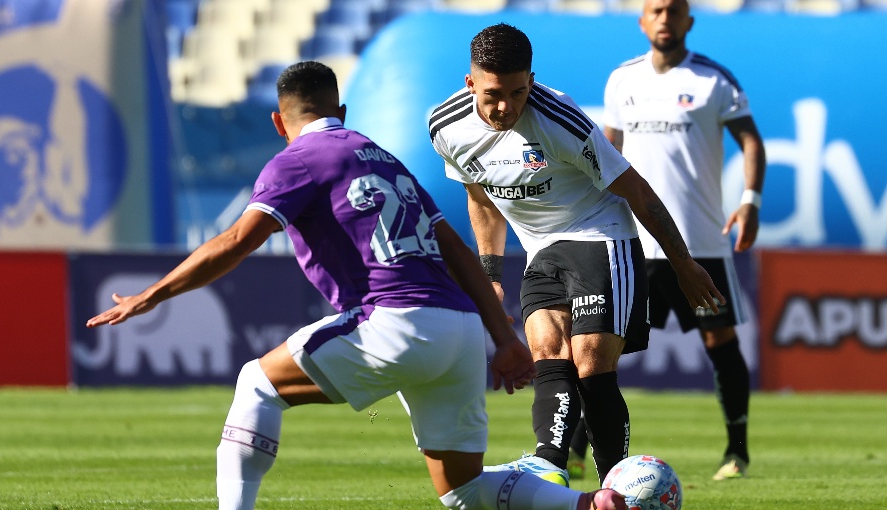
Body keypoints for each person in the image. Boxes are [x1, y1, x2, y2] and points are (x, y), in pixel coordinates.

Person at [86, 61, 627, 510]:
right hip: (460, 329)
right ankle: (591, 504)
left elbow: (233, 241)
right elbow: (456, 250)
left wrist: (149, 296)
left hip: (395, 318)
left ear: (279, 121)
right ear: (341, 113)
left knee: (256, 383)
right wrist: (502, 338)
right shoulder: (385, 159)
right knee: (463, 490)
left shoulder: (296, 158)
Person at [428, 23, 725, 487]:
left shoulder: (562, 121)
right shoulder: (445, 127)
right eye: (492, 95)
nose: (505, 106)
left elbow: (638, 192)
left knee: (590, 363)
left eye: (517, 91)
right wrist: (490, 272)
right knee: (547, 351)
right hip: (538, 248)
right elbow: (481, 198)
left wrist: (683, 264)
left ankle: (616, 486)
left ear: (531, 79)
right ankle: (550, 466)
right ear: (470, 84)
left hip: (599, 234)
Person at [591, 0, 766, 482]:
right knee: (599, 343)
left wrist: (749, 199)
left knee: (719, 339)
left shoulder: (713, 80)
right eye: (656, 9)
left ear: (689, 20)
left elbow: (751, 140)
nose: (665, 18)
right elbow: (607, 154)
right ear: (643, 20)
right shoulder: (622, 80)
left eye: (674, 10)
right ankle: (585, 449)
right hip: (633, 241)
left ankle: (737, 452)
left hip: (699, 240)